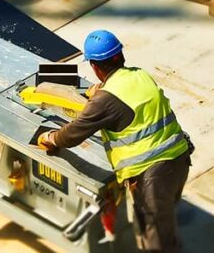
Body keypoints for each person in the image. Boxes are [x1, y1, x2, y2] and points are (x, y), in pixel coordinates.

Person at [37, 29, 193, 252]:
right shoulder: (140, 75)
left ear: (94, 66)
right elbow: (129, 96)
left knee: (158, 240)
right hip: (179, 161)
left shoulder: (105, 101)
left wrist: (51, 138)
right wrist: (101, 89)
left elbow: (72, 135)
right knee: (160, 224)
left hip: (152, 176)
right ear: (120, 55)